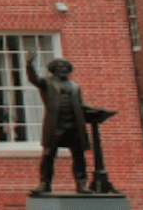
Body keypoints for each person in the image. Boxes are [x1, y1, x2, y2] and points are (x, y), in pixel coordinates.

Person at [25, 53, 92, 195]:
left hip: (74, 125)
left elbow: (80, 105)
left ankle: (81, 184)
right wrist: (29, 65)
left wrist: (96, 110)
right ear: (53, 69)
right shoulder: (47, 83)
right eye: (60, 66)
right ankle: (45, 183)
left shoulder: (75, 87)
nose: (63, 69)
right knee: (48, 154)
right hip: (55, 125)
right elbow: (34, 79)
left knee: (79, 155)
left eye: (66, 67)